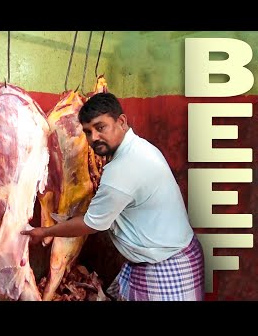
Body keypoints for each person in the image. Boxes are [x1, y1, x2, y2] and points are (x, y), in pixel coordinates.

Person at [21, 92, 205, 301]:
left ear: (122, 121)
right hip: (169, 255)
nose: (94, 138)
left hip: (166, 267)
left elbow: (92, 224)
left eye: (100, 128)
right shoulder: (140, 148)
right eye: (88, 132)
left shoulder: (122, 167)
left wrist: (45, 232)